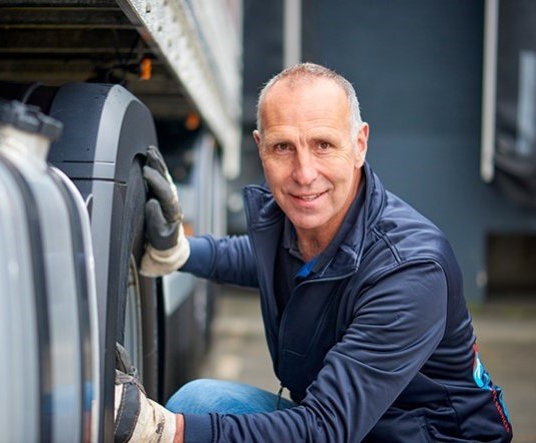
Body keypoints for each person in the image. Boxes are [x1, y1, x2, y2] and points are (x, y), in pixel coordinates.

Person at [114, 63, 513, 442]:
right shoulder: (302, 230)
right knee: (200, 400)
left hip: (421, 436)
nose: (304, 174)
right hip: (353, 424)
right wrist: (180, 253)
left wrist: (167, 430)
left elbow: (324, 431)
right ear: (260, 148)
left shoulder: (410, 271)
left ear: (359, 145)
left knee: (190, 418)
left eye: (323, 144)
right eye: (283, 147)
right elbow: (255, 258)